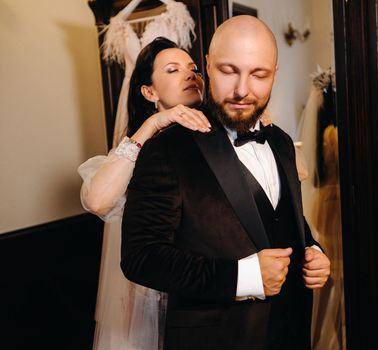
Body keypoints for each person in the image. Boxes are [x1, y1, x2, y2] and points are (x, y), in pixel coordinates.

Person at [121, 15, 331, 350]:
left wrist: (312, 250)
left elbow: (283, 217)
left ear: (274, 73)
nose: (242, 90)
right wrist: (243, 278)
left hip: (291, 333)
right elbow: (141, 257)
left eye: (258, 74)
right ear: (207, 65)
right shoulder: (167, 149)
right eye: (228, 70)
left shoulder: (281, 141)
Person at [78, 37, 211, 350]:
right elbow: (98, 200)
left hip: (202, 297)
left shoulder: (218, 142)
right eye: (173, 70)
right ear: (149, 92)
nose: (190, 75)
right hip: (145, 303)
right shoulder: (134, 153)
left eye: (193, 68)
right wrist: (153, 124)